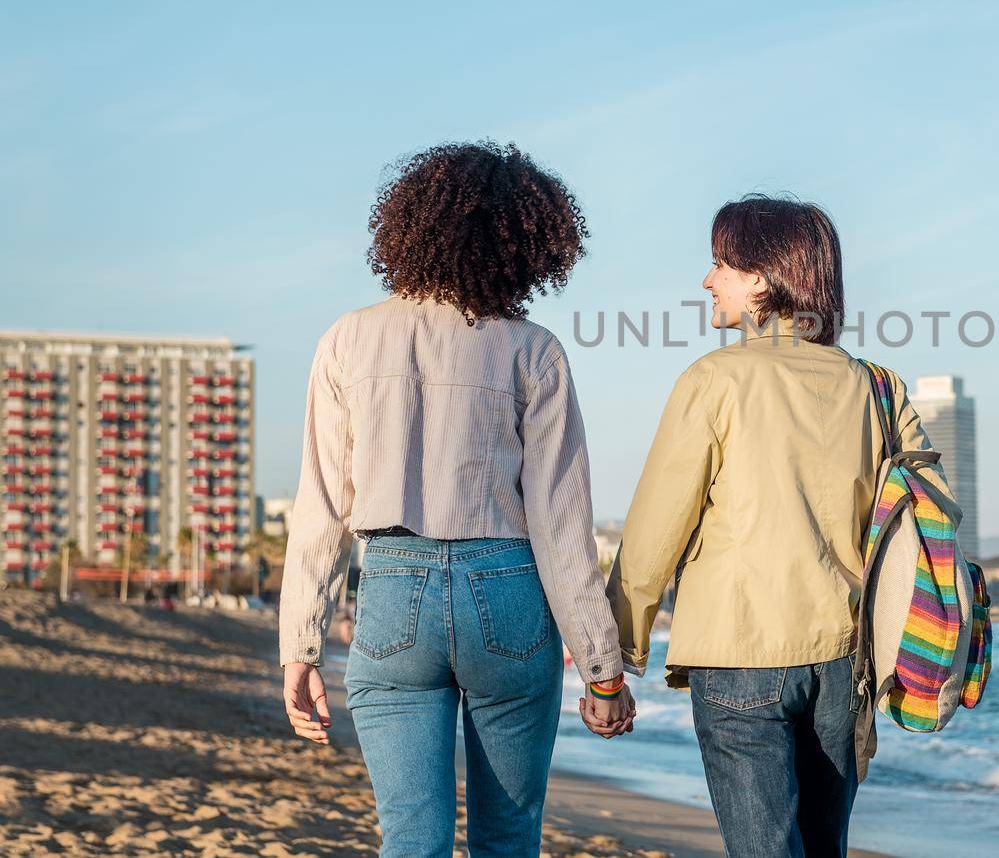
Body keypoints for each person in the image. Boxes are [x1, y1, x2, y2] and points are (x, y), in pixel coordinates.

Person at [278, 141, 636, 857]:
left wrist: (300, 647)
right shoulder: (533, 350)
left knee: (412, 839)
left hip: (392, 589)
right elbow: (561, 528)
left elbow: (319, 510)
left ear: (408, 228)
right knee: (508, 841)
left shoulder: (346, 340)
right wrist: (601, 665)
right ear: (526, 241)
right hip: (507, 592)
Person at [605, 194, 950, 858]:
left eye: (719, 265)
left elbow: (653, 534)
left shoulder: (713, 379)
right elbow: (929, 511)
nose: (707, 280)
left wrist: (615, 656)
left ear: (761, 278)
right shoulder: (877, 386)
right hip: (844, 659)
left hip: (739, 653)